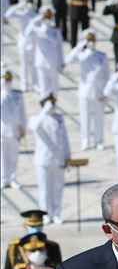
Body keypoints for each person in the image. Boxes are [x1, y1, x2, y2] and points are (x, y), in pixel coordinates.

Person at [29, 93, 70, 225]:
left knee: (58, 187)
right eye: (49, 103)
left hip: (58, 159)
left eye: (53, 103)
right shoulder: (38, 118)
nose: (52, 106)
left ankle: (56, 213)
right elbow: (34, 127)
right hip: (44, 160)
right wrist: (44, 111)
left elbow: (64, 138)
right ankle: (46, 214)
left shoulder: (59, 118)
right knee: (44, 189)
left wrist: (67, 155)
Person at [65, 30, 109, 150]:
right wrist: (80, 46)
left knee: (99, 117)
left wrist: (106, 93)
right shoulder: (82, 55)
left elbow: (106, 75)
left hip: (98, 91)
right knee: (85, 117)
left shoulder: (102, 56)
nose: (91, 42)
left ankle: (99, 140)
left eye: (92, 40)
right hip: (85, 91)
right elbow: (68, 60)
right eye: (89, 40)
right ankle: (85, 140)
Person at [27, 5, 65, 100]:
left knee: (54, 88)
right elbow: (27, 32)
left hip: (53, 62)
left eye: (49, 15)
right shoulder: (38, 30)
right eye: (46, 16)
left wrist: (61, 62)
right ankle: (44, 109)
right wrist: (39, 17)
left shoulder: (56, 31)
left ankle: (53, 107)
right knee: (44, 88)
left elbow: (60, 47)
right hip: (42, 63)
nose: (48, 18)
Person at [4, 0, 38, 90]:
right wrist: (19, 5)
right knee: (24, 64)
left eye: (30, 2)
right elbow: (7, 14)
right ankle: (24, 84)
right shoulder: (22, 14)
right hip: (23, 41)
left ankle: (34, 84)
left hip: (34, 42)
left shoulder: (36, 15)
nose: (29, 4)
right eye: (27, 2)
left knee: (33, 64)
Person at [1, 65, 27, 189]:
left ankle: (13, 178)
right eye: (5, 79)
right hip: (2, 131)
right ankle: (3, 178)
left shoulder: (18, 95)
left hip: (14, 130)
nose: (7, 82)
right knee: (2, 156)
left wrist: (23, 128)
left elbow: (22, 113)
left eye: (9, 79)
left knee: (13, 156)